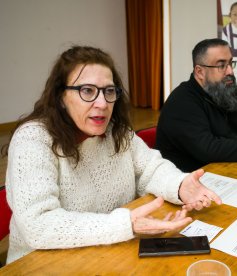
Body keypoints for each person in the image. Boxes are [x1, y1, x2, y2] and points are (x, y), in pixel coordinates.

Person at [2, 45, 222, 264]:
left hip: (111, 252)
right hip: (43, 263)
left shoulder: (117, 132)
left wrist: (180, 185)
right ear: (61, 96)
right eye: (87, 91)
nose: (102, 103)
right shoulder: (33, 140)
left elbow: (150, 168)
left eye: (109, 91)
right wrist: (125, 225)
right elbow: (38, 224)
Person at [156, 38, 237, 172]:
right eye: (221, 65)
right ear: (200, 71)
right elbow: (209, 149)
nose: (230, 71)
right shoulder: (181, 101)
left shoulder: (234, 91)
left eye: (230, 63)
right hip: (197, 180)